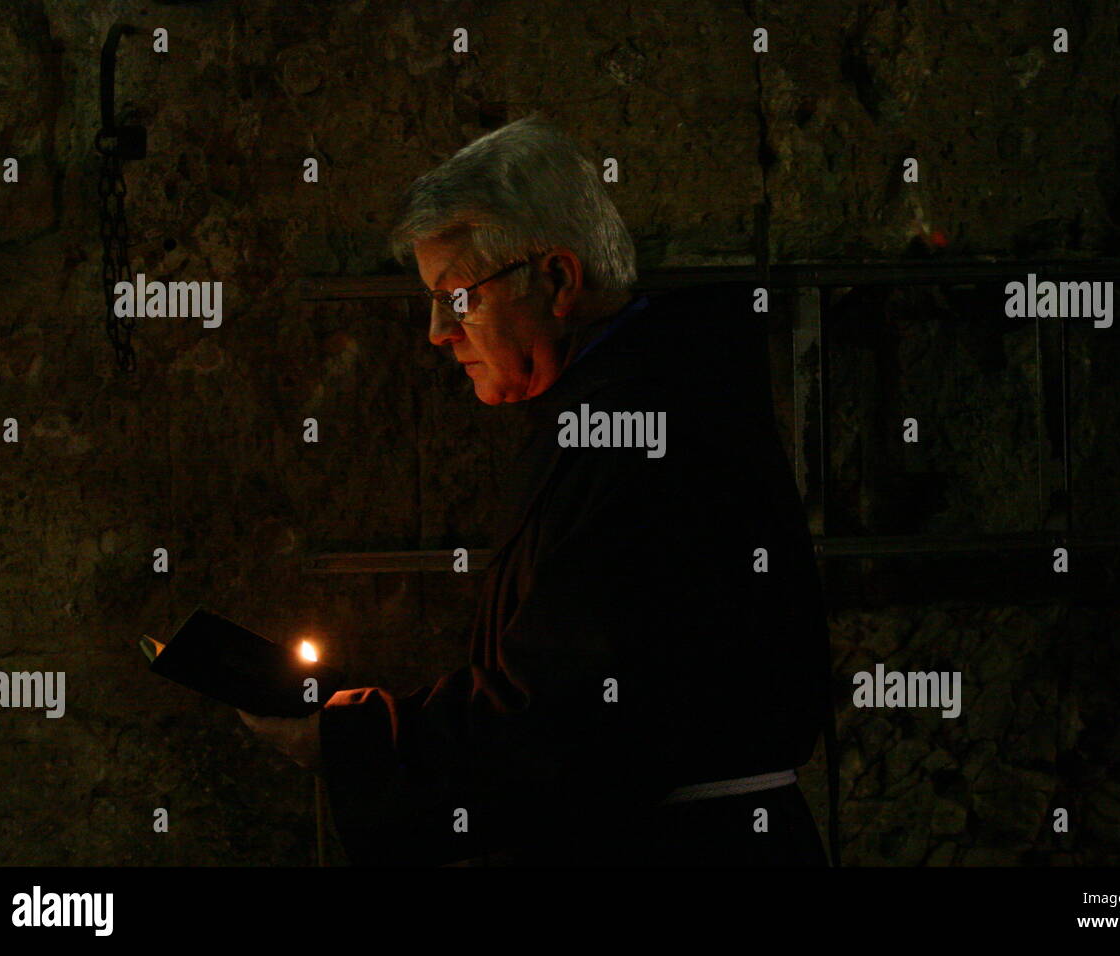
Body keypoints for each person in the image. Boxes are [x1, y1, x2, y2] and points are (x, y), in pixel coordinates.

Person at [240, 113, 833, 866]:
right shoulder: (639, 399)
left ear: (556, 279)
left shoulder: (638, 431)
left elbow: (573, 707)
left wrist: (362, 738)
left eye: (457, 297)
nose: (437, 332)